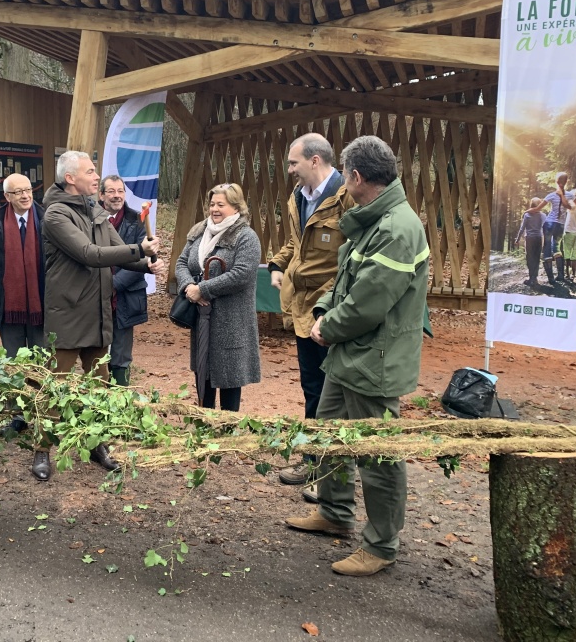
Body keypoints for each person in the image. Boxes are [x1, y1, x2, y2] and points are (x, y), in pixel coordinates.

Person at [284, 136, 428, 577]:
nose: (344, 183)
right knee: (328, 431)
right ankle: (335, 511)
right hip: (350, 355)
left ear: (357, 176)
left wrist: (328, 327)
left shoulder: (397, 228)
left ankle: (381, 545)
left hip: (376, 358)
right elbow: (345, 277)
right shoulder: (373, 219)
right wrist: (324, 309)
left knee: (377, 453)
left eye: (346, 176)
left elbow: (369, 301)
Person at [38, 151, 160, 481]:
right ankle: (41, 448)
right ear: (70, 178)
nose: (97, 176)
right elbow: (89, 254)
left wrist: (146, 263)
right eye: (90, 171)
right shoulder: (56, 214)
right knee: (56, 386)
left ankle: (97, 444)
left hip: (98, 311)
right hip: (68, 312)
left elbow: (118, 252)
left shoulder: (95, 210)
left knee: (99, 385)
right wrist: (139, 249)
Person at [268, 134, 355, 495]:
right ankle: (313, 462)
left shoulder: (346, 197)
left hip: (330, 310)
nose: (290, 170)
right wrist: (278, 264)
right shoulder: (299, 197)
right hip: (303, 308)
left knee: (335, 395)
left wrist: (331, 307)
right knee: (313, 388)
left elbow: (354, 256)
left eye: (294, 163)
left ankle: (332, 473)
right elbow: (297, 243)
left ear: (315, 160)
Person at [174, 182, 262, 412]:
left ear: (236, 207)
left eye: (221, 205)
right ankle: (204, 421)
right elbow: (182, 263)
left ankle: (228, 427)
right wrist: (189, 287)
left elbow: (241, 274)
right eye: (212, 204)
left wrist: (203, 289)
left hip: (232, 321)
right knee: (203, 371)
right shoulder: (199, 232)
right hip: (202, 318)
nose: (214, 209)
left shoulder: (246, 237)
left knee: (230, 377)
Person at [0, 173, 46, 357]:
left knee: (43, 362)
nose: (26, 196)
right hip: (8, 309)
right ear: (7, 196)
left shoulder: (46, 219)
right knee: (14, 363)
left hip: (42, 308)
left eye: (28, 190)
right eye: (19, 192)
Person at [98, 174, 149, 386]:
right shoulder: (90, 219)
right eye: (111, 191)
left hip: (126, 297)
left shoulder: (137, 220)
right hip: (94, 296)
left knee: (121, 355)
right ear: (101, 195)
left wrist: (113, 285)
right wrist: (101, 286)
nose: (117, 196)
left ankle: (121, 396)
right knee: (96, 352)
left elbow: (143, 259)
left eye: (120, 191)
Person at [532, 172, 574, 284]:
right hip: (561, 225)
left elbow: (538, 209)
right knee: (556, 247)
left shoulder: (551, 195)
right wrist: (563, 195)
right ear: (566, 182)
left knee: (547, 248)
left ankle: (551, 278)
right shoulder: (570, 195)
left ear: (556, 182)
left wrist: (528, 211)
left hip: (550, 223)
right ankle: (560, 275)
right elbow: (569, 207)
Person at [514, 197, 545, 288]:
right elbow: (545, 227)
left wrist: (517, 239)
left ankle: (531, 278)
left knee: (530, 258)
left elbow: (522, 228)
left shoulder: (527, 215)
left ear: (531, 205)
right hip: (539, 238)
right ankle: (534, 278)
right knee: (536, 258)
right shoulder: (542, 215)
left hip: (530, 239)